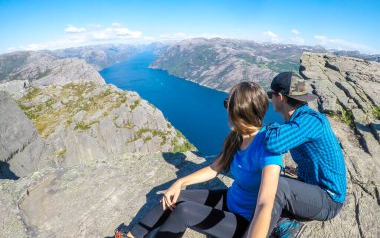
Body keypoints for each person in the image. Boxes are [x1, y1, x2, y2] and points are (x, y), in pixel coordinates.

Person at [115, 82, 283, 238]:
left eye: (227, 104)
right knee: (174, 196)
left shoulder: (268, 148)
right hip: (230, 200)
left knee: (184, 211)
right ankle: (131, 236)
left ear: (240, 109)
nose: (225, 109)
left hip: (244, 222)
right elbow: (215, 168)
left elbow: (265, 204)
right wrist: (179, 183)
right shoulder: (237, 137)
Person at [248, 72, 346, 238]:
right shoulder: (301, 120)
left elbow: (274, 143)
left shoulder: (311, 121)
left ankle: (282, 229)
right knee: (262, 183)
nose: (270, 98)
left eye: (271, 95)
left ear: (280, 97)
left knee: (275, 186)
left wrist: (263, 126)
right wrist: (299, 171)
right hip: (314, 189)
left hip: (329, 201)